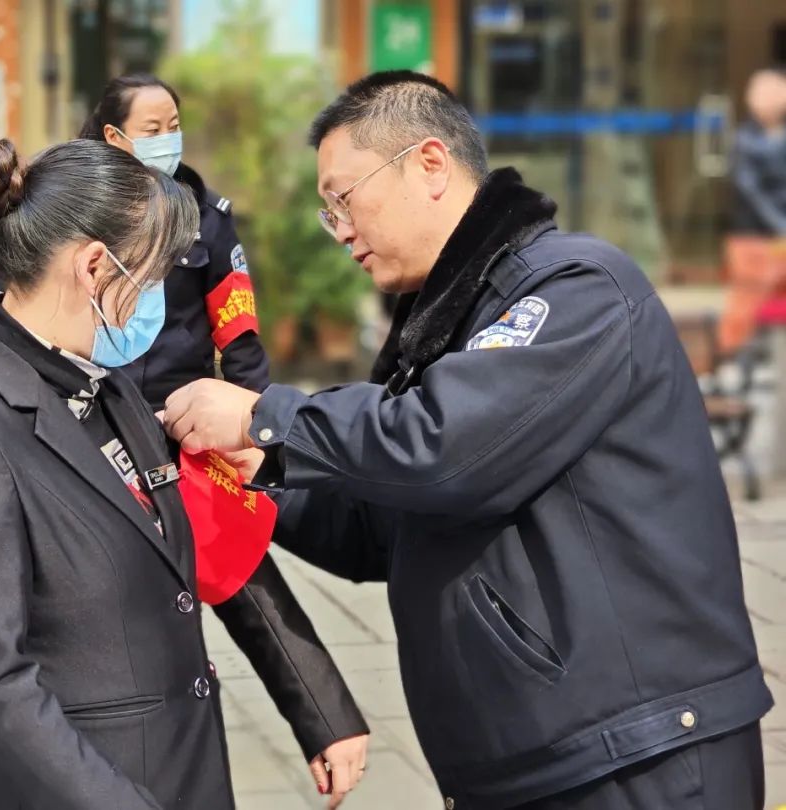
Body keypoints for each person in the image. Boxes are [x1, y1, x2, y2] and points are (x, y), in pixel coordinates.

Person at [162, 71, 773, 809]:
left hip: (637, 756)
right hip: (535, 763)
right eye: (329, 213)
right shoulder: (444, 326)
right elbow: (375, 525)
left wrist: (266, 418)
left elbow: (444, 447)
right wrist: (243, 470)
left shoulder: (572, 288)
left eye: (344, 200)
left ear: (429, 164)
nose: (341, 231)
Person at [0, 138, 369, 810]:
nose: (156, 300)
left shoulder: (111, 389)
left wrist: (320, 706)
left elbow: (213, 549)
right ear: (93, 266)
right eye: (149, 278)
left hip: (187, 771)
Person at [79, 74, 269, 412]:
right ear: (114, 136)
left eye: (174, 127)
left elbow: (237, 329)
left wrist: (256, 418)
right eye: (152, 131)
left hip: (180, 410)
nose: (166, 140)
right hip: (95, 404)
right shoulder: (80, 211)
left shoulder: (206, 216)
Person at [719, 67, 786, 355]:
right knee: (746, 304)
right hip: (754, 237)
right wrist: (780, 225)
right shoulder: (744, 140)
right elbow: (750, 191)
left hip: (777, 234)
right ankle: (732, 360)